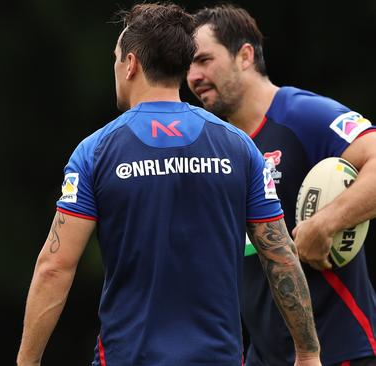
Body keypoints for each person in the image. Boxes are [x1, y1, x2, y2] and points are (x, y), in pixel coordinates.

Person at [16, 2, 321, 365]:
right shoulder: (239, 147)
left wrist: (27, 361)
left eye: (116, 58)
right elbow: (280, 255)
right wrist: (308, 352)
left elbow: (55, 267)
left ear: (130, 64)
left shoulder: (96, 151)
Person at [187, 4, 376, 366]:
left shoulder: (302, 115)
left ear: (244, 56)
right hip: (265, 356)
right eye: (188, 66)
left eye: (204, 60)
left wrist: (326, 223)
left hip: (338, 350)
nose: (193, 77)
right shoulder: (216, 148)